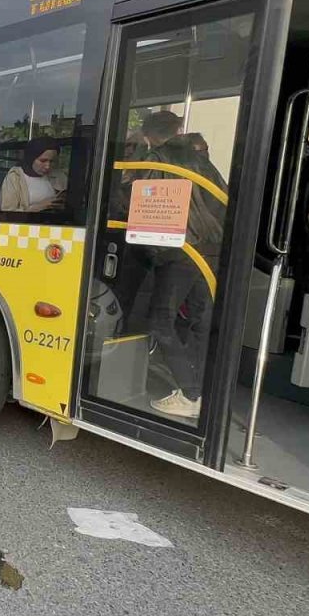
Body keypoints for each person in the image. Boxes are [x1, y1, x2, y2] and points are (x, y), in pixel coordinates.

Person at [132, 111, 227, 420]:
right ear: (180, 129)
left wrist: (154, 256)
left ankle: (189, 393)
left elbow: (142, 215)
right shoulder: (204, 162)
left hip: (177, 252)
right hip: (208, 250)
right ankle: (199, 388)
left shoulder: (155, 162)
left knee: (161, 321)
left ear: (147, 135)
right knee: (201, 320)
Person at [0, 138, 68, 212]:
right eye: (43, 161)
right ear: (31, 158)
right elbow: (7, 213)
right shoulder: (15, 177)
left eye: (51, 161)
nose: (47, 166)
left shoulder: (58, 175)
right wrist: (38, 207)